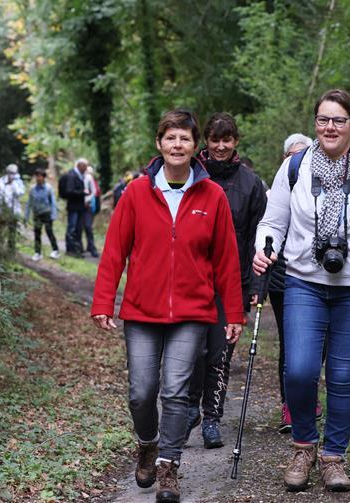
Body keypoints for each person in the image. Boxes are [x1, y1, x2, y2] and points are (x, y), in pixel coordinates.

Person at [253, 90, 350, 493]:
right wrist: (264, 249)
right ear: (315, 123)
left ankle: (333, 458)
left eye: (339, 120)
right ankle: (303, 447)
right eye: (323, 119)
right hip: (305, 282)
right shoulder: (294, 168)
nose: (329, 127)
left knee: (343, 375)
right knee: (301, 369)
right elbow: (273, 221)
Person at [91, 109, 244, 503]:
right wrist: (103, 301)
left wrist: (234, 313)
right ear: (159, 144)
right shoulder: (137, 193)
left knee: (177, 392)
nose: (178, 145)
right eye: (171, 138)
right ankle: (147, 443)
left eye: (185, 139)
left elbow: (227, 258)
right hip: (142, 311)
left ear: (197, 148)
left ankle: (168, 467)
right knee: (142, 393)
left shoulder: (212, 197)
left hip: (192, 314)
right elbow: (114, 252)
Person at [186, 113, 267, 449]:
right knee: (190, 349)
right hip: (191, 277)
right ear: (206, 140)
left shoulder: (250, 184)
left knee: (220, 353)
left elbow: (258, 241)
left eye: (227, 140)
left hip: (231, 281)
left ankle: (212, 418)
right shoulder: (190, 175)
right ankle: (189, 407)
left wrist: (255, 287)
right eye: (215, 140)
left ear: (236, 141)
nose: (221, 146)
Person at [262, 132, 322, 434]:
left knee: (317, 345)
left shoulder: (319, 189)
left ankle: (307, 396)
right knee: (292, 343)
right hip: (282, 279)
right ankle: (291, 404)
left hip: (316, 278)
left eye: (303, 152)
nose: (297, 158)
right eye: (292, 154)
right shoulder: (274, 193)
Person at [24, 169, 60, 261]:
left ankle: (55, 250)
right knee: (37, 233)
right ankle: (37, 252)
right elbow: (29, 203)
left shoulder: (48, 188)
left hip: (47, 213)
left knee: (49, 231)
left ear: (43, 177)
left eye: (40, 176)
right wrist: (26, 216)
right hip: (37, 214)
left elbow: (53, 202)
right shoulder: (33, 189)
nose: (38, 178)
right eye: (37, 176)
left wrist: (53, 214)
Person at [0, 163, 25, 252]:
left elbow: (19, 193)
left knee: (12, 232)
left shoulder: (18, 182)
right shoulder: (0, 181)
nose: (12, 175)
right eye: (10, 172)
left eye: (14, 173)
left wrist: (14, 183)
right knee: (0, 230)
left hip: (13, 212)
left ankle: (11, 251)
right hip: (1, 211)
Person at [58, 158, 89, 257]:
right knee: (72, 228)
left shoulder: (79, 176)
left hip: (79, 207)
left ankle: (76, 250)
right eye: (84, 166)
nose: (86, 168)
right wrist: (82, 193)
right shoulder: (72, 175)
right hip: (73, 207)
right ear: (79, 165)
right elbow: (69, 191)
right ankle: (70, 250)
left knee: (78, 229)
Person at [82, 166, 100, 257]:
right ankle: (87, 247)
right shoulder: (83, 178)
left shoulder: (90, 180)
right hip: (84, 207)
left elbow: (94, 193)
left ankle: (92, 248)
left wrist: (87, 201)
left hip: (89, 206)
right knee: (85, 227)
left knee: (88, 227)